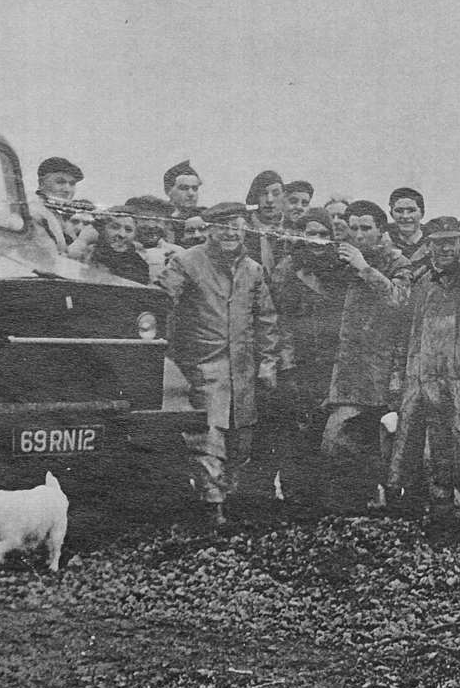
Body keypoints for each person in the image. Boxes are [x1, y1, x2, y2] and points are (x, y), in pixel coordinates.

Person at [155, 201, 282, 526]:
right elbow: (161, 301)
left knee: (240, 439)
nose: (229, 233)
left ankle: (231, 502)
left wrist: (267, 362)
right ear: (209, 229)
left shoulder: (252, 269)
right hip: (202, 365)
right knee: (209, 437)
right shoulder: (186, 261)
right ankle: (213, 508)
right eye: (222, 226)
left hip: (243, 369)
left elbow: (266, 319)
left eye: (235, 226)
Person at [388, 217, 460, 545]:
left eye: (450, 242)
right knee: (433, 456)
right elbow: (407, 337)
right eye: (437, 243)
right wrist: (400, 382)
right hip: (425, 386)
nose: (443, 249)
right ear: (428, 246)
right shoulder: (422, 284)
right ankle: (441, 518)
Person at [322, 201, 412, 516]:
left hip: (386, 372)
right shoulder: (339, 262)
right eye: (354, 228)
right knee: (338, 443)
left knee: (387, 446)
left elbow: (400, 302)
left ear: (381, 230)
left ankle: (394, 514)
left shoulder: (397, 262)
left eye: (366, 228)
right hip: (348, 374)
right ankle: (348, 513)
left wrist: (365, 268)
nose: (359, 235)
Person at [269, 208, 356, 511]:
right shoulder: (287, 270)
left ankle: (326, 502)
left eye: (324, 234)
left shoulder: (340, 271)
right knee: (297, 430)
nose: (317, 241)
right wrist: (288, 367)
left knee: (328, 431)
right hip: (299, 365)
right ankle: (297, 499)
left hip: (333, 364)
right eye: (311, 234)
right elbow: (280, 322)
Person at [87, 204, 149, 285]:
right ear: (102, 229)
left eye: (128, 230)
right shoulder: (88, 252)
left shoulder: (139, 265)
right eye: (115, 227)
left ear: (135, 235)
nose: (122, 235)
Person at [125, 195, 182, 283]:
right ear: (133, 221)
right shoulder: (122, 249)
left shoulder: (178, 252)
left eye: (157, 220)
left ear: (166, 224)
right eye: (145, 219)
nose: (151, 226)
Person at [245, 171, 286, 272]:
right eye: (263, 194)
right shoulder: (244, 227)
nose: (269, 200)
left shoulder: (292, 226)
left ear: (284, 196)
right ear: (255, 197)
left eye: (276, 194)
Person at [386, 187, 430, 262]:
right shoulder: (384, 241)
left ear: (422, 213)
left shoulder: (431, 242)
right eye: (399, 211)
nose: (405, 216)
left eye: (411, 210)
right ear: (391, 214)